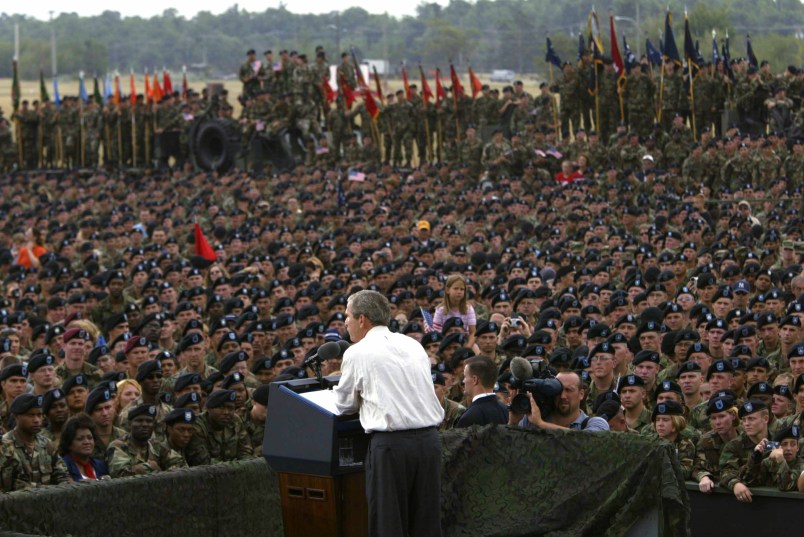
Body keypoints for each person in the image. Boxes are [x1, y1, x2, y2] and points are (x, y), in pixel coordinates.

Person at [334, 290, 444, 537]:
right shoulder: (413, 345)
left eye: (347, 316)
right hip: (429, 443)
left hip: (391, 447)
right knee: (427, 524)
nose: (345, 322)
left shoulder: (357, 352)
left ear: (362, 319)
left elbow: (343, 405)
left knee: (389, 524)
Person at [0, 393, 70, 490]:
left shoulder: (46, 444)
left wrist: (64, 487)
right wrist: (50, 491)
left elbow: (62, 474)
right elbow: (16, 484)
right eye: (31, 415)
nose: (37, 420)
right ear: (17, 416)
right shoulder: (4, 446)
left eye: (39, 415)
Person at [106, 403, 185, 477]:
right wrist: (151, 466)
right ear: (130, 424)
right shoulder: (118, 446)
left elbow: (180, 463)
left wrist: (167, 472)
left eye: (149, 421)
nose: (144, 425)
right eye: (139, 421)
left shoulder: (155, 445)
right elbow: (120, 474)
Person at [515, 370, 610, 431]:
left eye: (569, 390)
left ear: (581, 394)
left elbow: (585, 441)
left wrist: (541, 424)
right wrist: (513, 421)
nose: (563, 396)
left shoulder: (596, 423)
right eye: (558, 390)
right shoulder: (532, 420)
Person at [455, 355, 508, 427]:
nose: (463, 381)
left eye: (465, 376)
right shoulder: (505, 411)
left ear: (474, 380)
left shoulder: (469, 417)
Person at [58, 413, 110, 481]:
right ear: (69, 444)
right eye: (80, 439)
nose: (87, 442)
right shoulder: (63, 466)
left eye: (90, 438)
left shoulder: (101, 466)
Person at [432, 274, 477, 348]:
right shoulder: (440, 310)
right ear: (447, 290)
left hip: (464, 342)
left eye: (462, 289)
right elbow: (437, 333)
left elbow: (473, 332)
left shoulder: (469, 309)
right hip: (444, 343)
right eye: (456, 288)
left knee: (476, 349)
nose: (459, 292)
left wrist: (467, 347)